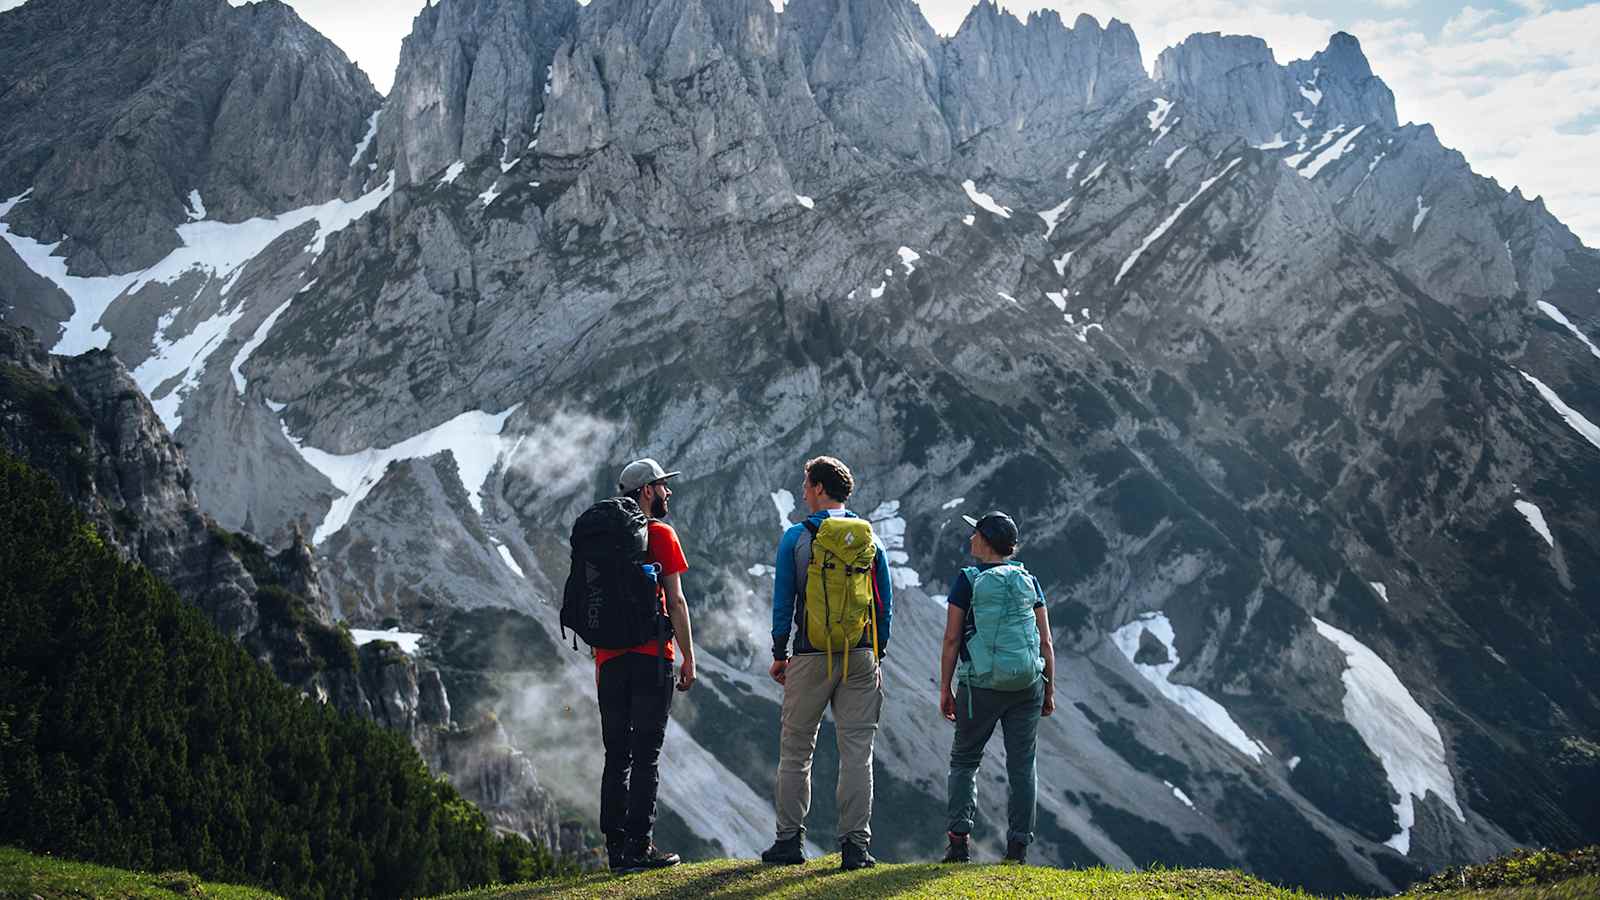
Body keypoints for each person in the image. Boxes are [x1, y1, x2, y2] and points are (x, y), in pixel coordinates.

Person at [761, 456, 894, 871]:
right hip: (859, 655)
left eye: (806, 484)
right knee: (857, 752)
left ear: (819, 488)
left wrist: (779, 652)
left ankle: (789, 843)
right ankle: (855, 847)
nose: (802, 492)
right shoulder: (869, 538)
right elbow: (884, 604)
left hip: (810, 654)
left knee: (797, 751)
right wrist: (877, 652)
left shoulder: (797, 538)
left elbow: (784, 601)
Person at [597, 458, 697, 873]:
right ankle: (641, 846)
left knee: (616, 754)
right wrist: (689, 656)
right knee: (646, 755)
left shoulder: (601, 537)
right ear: (644, 492)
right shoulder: (660, 533)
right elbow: (674, 600)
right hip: (653, 656)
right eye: (661, 485)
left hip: (608, 660)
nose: (667, 492)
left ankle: (616, 850)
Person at [938, 511, 1055, 865]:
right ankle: (1018, 849)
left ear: (986, 542)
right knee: (1023, 765)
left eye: (975, 532)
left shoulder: (968, 580)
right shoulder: (1028, 580)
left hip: (981, 686)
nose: (971, 537)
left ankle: (959, 845)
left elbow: (952, 638)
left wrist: (945, 688)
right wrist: (1049, 690)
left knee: (964, 761)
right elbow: (1046, 641)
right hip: (1027, 684)